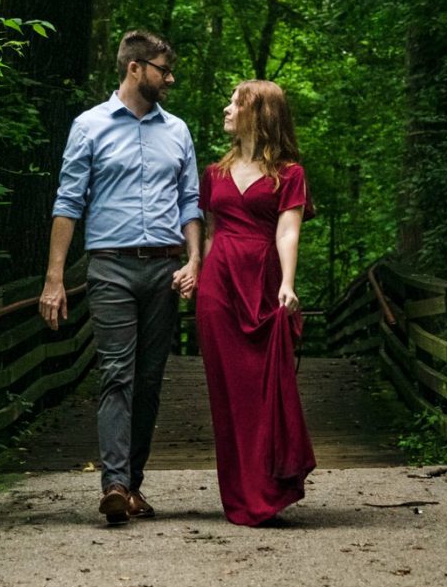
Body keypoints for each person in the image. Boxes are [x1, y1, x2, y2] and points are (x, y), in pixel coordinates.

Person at [39, 30, 203, 526]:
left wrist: (194, 261)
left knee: (150, 380)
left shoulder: (177, 131)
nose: (169, 78)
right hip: (109, 266)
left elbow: (191, 204)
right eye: (162, 68)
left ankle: (132, 484)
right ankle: (113, 483)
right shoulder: (88, 127)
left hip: (164, 268)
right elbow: (68, 204)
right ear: (135, 68)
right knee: (117, 374)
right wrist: (53, 280)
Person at [194, 80, 318, 526]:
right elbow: (208, 233)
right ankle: (239, 498)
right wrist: (197, 274)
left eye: (236, 103)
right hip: (218, 289)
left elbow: (288, 231)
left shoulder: (289, 173)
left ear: (260, 114)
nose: (227, 109)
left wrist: (288, 282)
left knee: (261, 392)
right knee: (227, 394)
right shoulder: (214, 174)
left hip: (263, 284)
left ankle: (267, 491)